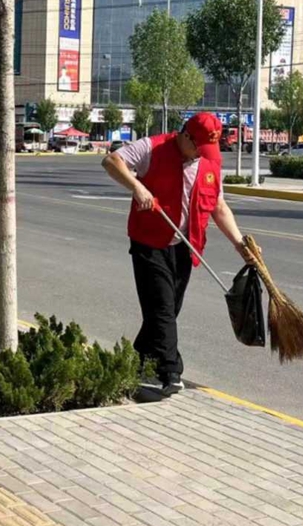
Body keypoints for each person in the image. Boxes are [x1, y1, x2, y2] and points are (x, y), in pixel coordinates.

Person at [102, 112, 251, 396]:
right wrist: (137, 187)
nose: (201, 154)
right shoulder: (152, 147)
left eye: (208, 149)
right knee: (162, 308)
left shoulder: (209, 163)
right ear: (185, 136)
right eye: (198, 147)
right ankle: (170, 371)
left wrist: (239, 243)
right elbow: (111, 161)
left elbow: (218, 207)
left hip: (185, 245)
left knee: (168, 310)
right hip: (149, 242)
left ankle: (136, 360)